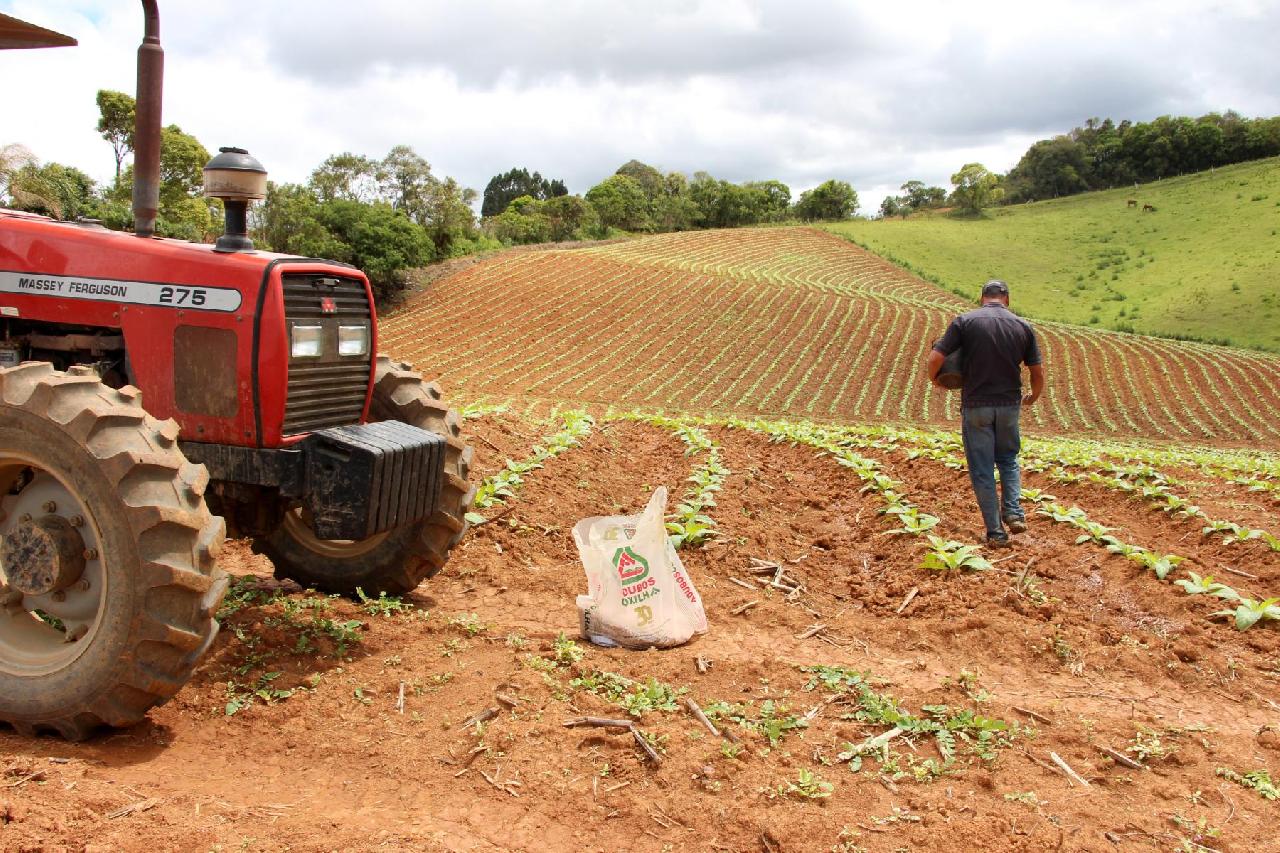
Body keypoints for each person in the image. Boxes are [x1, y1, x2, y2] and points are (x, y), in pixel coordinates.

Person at [925, 280, 1045, 547]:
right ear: (1007, 299)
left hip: (976, 405)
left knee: (982, 469)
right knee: (1009, 459)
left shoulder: (965, 322)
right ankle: (1013, 512)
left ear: (981, 298)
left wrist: (936, 380)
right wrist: (1033, 396)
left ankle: (995, 532)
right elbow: (1037, 372)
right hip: (1009, 405)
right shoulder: (1022, 326)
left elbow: (936, 359)